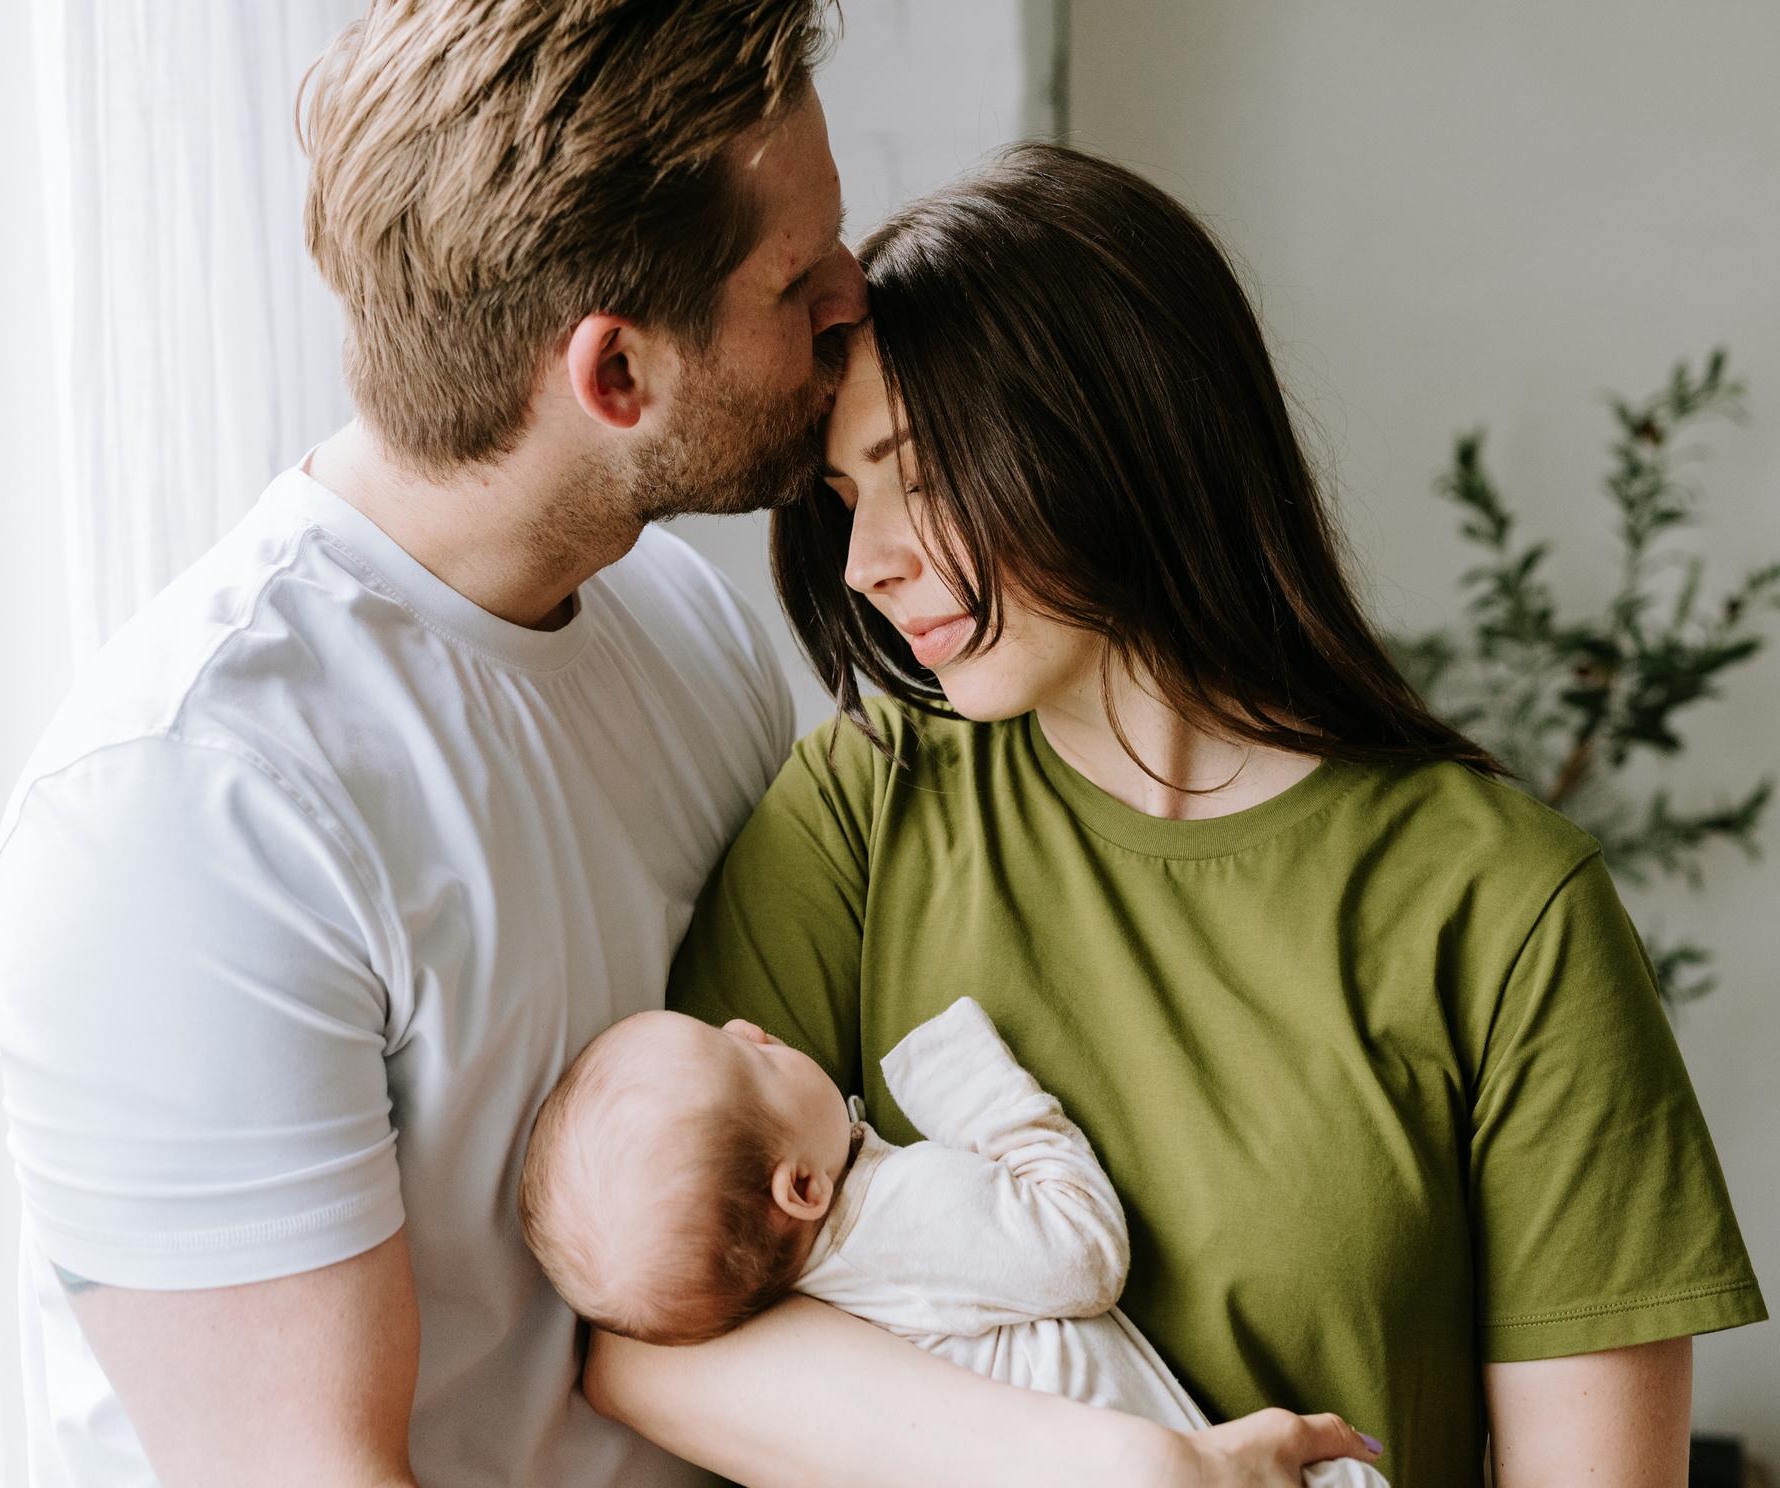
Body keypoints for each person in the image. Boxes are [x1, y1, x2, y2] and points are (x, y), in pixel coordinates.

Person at [0, 6, 1372, 1486]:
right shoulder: (192, 812)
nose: (855, 297)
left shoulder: (677, 628)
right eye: (799, 277)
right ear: (617, 376)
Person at [586, 144, 1768, 1485]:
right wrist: (1128, 1471)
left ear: (1111, 435)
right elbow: (650, 1337)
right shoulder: (864, 812)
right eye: (848, 500)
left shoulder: (1498, 906)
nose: (865, 564)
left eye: (916, 473)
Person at [518, 998, 1389, 1487]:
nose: (749, 1026)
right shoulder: (897, 1213)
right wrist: (976, 1090)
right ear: (804, 1189)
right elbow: (1081, 1251)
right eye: (745, 1057)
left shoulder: (808, 1305)